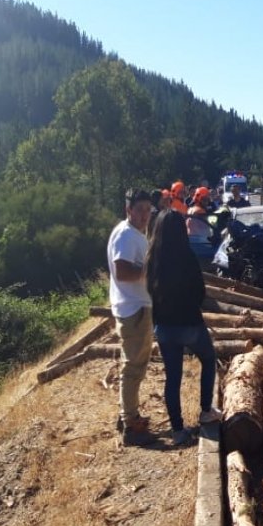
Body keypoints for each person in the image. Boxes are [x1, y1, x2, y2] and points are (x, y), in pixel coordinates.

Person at [145, 210, 222, 446]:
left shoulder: (152, 257)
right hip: (189, 322)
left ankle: (178, 430)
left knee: (173, 378)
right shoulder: (186, 255)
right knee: (209, 359)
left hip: (164, 327)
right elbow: (199, 290)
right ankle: (206, 409)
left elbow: (149, 291)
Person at [107, 188, 155, 446]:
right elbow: (123, 271)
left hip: (132, 305)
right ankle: (131, 425)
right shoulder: (127, 235)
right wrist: (149, 269)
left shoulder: (131, 232)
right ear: (128, 210)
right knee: (134, 367)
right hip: (134, 309)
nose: (145, 215)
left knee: (132, 364)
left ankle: (126, 414)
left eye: (148, 209)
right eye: (140, 210)